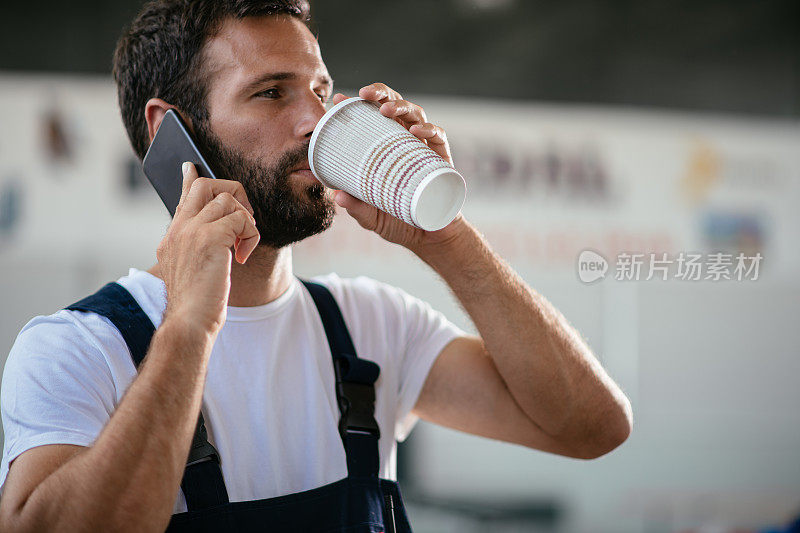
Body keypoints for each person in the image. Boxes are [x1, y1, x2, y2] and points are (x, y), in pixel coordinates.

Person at [0, 1, 633, 531]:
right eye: (271, 93)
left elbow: (592, 428)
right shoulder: (77, 349)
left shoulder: (369, 327)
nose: (315, 120)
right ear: (173, 131)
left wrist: (444, 235)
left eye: (321, 91)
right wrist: (188, 328)